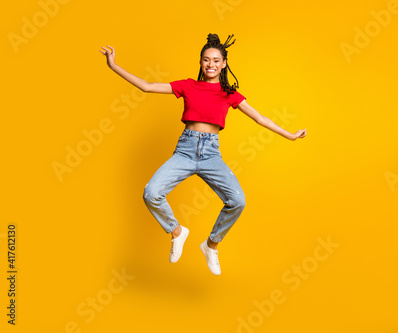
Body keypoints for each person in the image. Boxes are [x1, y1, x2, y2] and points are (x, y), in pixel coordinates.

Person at [100, 33, 307, 275]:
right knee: (151, 193)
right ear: (200, 62)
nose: (211, 64)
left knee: (237, 201)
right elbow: (147, 86)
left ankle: (211, 246)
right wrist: (114, 66)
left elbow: (259, 118)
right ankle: (177, 232)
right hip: (185, 151)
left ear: (224, 64)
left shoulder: (229, 93)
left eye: (216, 60)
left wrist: (290, 135)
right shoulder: (189, 85)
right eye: (206, 60)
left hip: (210, 154)